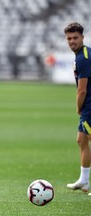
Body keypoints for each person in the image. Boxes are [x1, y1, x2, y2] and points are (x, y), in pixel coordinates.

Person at [64, 22, 91, 194]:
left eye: (75, 38)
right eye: (69, 38)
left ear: (82, 37)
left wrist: (78, 108)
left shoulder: (83, 58)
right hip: (89, 105)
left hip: (89, 106)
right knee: (81, 140)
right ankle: (84, 181)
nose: (72, 41)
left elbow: (82, 90)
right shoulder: (81, 54)